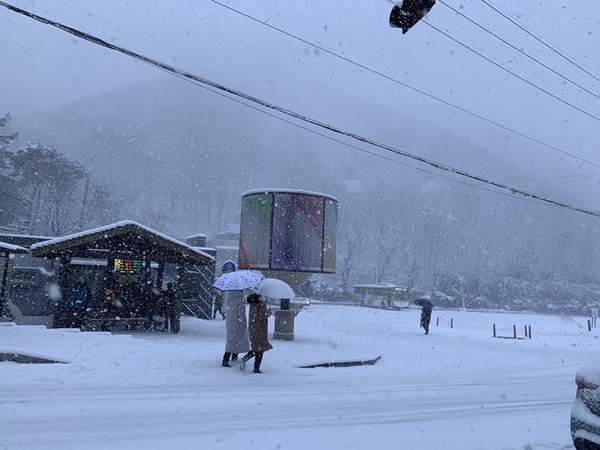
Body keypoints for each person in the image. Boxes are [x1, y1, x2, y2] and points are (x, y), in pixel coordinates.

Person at [239, 293, 272, 374]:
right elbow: (262, 316)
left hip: (253, 329)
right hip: (260, 330)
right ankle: (255, 368)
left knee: (257, 349)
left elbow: (256, 316)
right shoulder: (261, 305)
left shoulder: (252, 305)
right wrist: (269, 312)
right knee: (260, 350)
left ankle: (245, 360)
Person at [221, 289, 250, 366]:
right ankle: (229, 358)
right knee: (238, 340)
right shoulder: (240, 299)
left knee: (230, 340)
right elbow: (241, 314)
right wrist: (244, 323)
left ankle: (227, 358)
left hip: (230, 323)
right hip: (238, 323)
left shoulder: (229, 298)